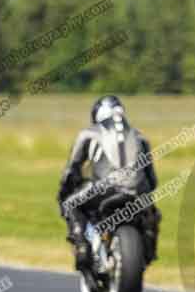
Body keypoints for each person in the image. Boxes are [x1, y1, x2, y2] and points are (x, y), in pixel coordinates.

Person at [57, 95, 160, 270]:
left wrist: (64, 190)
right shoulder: (140, 137)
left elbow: (72, 169)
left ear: (97, 114)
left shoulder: (89, 133)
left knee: (70, 203)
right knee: (152, 214)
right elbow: (152, 180)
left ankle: (82, 246)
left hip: (104, 190)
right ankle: (148, 253)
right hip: (136, 194)